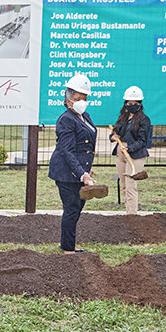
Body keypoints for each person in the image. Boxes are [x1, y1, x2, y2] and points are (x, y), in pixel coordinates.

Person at [48, 74, 97, 253]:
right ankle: (68, 248)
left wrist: (87, 169)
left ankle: (68, 243)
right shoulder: (66, 119)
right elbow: (66, 150)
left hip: (78, 171)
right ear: (68, 100)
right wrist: (81, 173)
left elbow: (86, 146)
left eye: (84, 98)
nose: (82, 102)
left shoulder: (85, 116)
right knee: (71, 209)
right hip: (66, 173)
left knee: (76, 208)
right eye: (77, 99)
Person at [110, 85, 151, 215]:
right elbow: (116, 132)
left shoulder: (144, 120)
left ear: (140, 104)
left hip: (135, 155)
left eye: (135, 103)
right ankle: (128, 213)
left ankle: (132, 216)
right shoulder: (123, 117)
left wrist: (129, 148)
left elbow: (142, 141)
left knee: (131, 186)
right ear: (125, 103)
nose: (132, 105)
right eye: (129, 103)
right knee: (124, 185)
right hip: (120, 154)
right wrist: (113, 137)